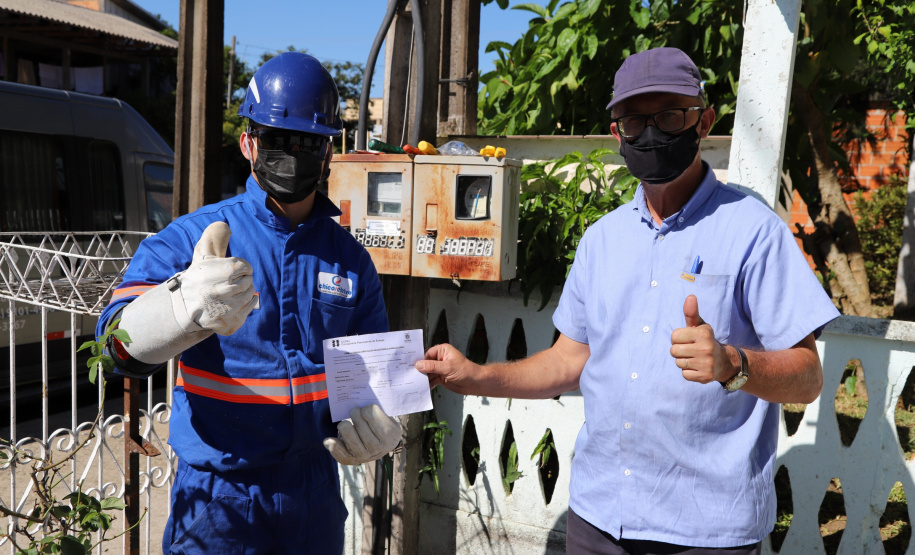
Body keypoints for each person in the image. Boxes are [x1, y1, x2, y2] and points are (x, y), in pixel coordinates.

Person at [415, 47, 840, 555]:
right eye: (635, 121)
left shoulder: (754, 232)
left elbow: (808, 378)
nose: (651, 133)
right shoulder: (602, 239)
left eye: (670, 115)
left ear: (704, 121)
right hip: (598, 520)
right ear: (617, 134)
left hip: (705, 531)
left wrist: (733, 364)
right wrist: (476, 376)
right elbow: (568, 360)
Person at [97, 52, 401, 554]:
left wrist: (386, 424)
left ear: (328, 152)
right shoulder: (196, 237)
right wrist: (180, 306)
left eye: (308, 142)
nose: (293, 153)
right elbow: (113, 346)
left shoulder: (350, 259)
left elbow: (376, 375)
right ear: (248, 143)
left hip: (313, 494)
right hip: (219, 497)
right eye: (277, 139)